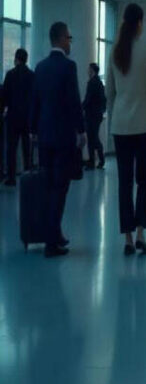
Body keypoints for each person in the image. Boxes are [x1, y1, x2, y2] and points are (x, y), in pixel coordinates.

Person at [106, 3, 146, 256]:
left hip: (121, 127)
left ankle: (127, 238)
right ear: (139, 23)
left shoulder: (114, 52)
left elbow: (110, 93)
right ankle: (141, 233)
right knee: (145, 180)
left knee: (125, 182)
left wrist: (113, 122)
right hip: (144, 125)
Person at [30, 22, 85, 258]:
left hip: (44, 137)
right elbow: (74, 102)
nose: (70, 42)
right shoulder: (68, 67)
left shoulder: (40, 67)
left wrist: (33, 131)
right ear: (62, 38)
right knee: (60, 188)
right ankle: (52, 242)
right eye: (69, 38)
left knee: (48, 186)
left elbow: (36, 102)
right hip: (63, 137)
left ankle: (54, 233)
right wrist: (81, 131)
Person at [3, 47, 34, 185]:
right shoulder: (32, 75)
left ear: (16, 59)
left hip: (13, 117)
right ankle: (28, 174)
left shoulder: (10, 74)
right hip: (27, 117)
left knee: (12, 148)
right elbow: (35, 97)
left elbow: (4, 97)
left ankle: (11, 178)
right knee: (27, 147)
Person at [82, 62, 106, 170]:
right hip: (97, 114)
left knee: (93, 138)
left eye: (88, 69)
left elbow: (88, 99)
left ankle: (96, 160)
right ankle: (96, 160)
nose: (87, 71)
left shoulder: (92, 82)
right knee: (93, 137)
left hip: (91, 114)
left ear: (92, 70)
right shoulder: (99, 82)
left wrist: (80, 108)